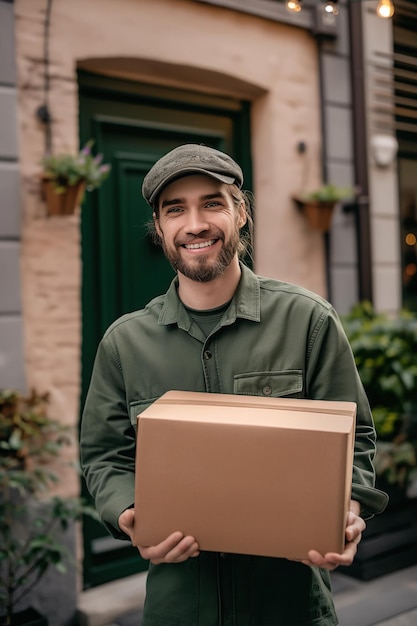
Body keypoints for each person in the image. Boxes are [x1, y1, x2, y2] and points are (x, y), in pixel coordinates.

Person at [80, 143, 388, 626]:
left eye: (212, 203)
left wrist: (344, 512)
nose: (195, 223)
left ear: (241, 213)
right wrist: (130, 515)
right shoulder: (124, 343)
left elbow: (357, 439)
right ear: (159, 228)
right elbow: (104, 456)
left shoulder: (307, 320)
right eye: (175, 209)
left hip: (289, 605)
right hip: (179, 607)